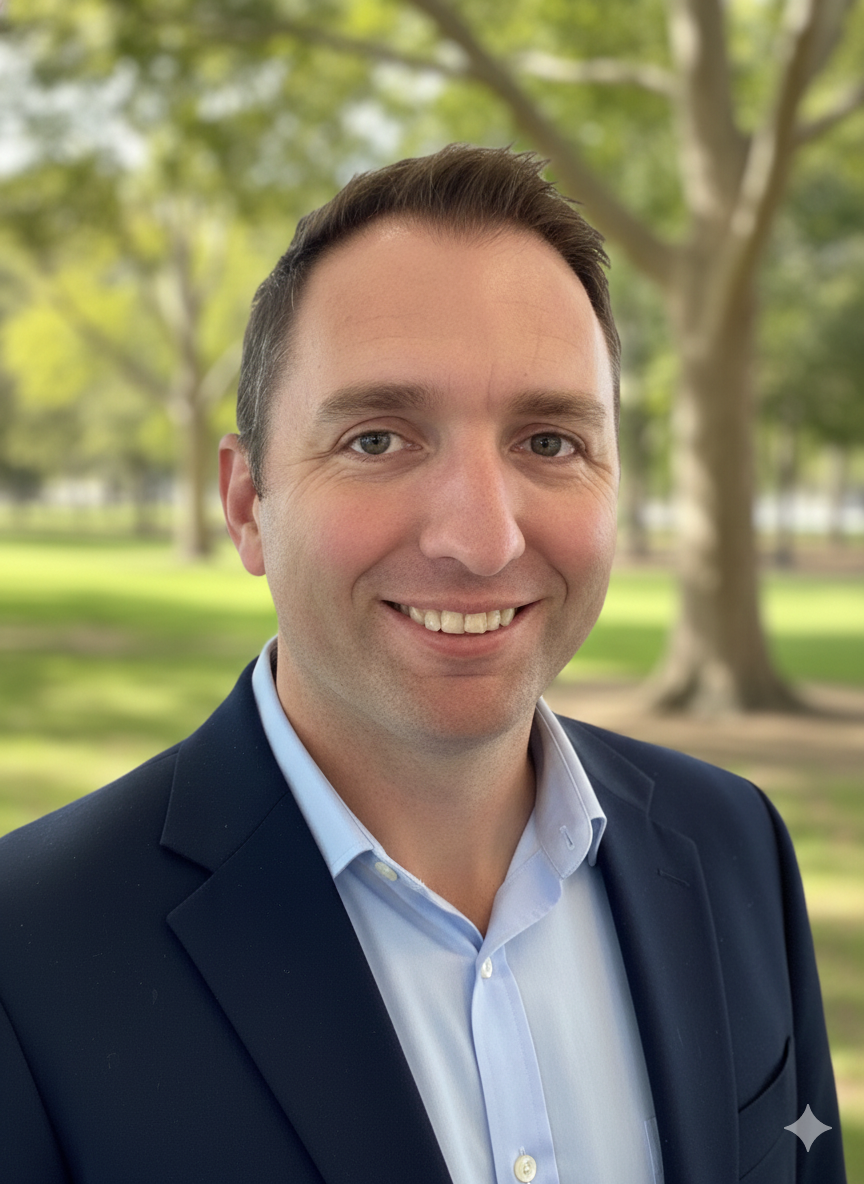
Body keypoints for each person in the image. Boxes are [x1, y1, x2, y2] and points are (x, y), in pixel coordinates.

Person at [0, 145, 844, 1184]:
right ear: (245, 502)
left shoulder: (734, 845)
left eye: (548, 441)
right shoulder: (27, 951)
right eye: (378, 439)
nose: (482, 539)